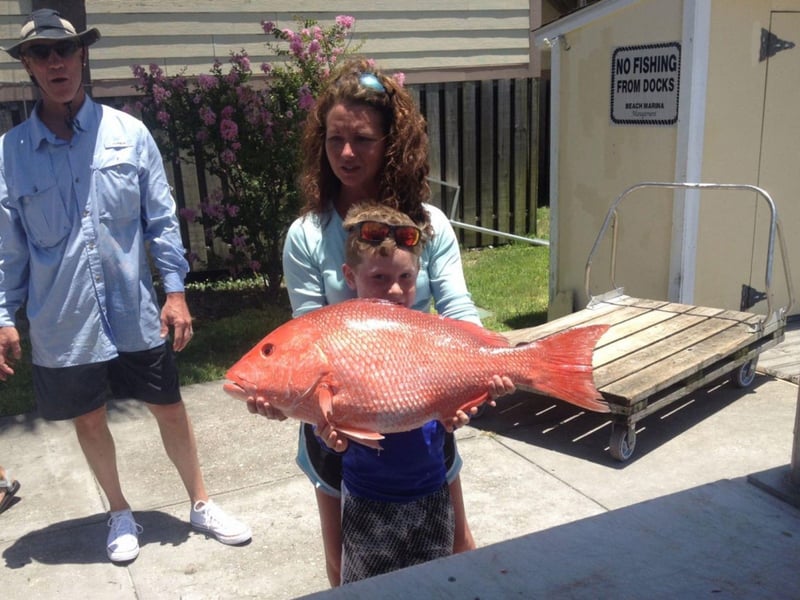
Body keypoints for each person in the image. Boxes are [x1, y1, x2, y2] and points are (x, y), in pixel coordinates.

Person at [248, 57, 513, 586]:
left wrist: (491, 367)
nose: (346, 153)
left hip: (421, 423)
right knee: (344, 571)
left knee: (457, 550)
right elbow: (308, 334)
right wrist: (286, 397)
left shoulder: (429, 225)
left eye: (363, 139)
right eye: (334, 138)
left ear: (392, 142)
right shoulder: (306, 234)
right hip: (336, 432)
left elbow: (457, 308)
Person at [0, 9, 251, 562]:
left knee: (169, 405)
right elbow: (9, 247)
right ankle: (119, 511)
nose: (56, 62)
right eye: (41, 54)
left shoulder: (128, 134)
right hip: (62, 320)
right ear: (29, 67)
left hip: (133, 310)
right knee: (88, 418)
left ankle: (201, 502)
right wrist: (2, 315)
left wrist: (177, 292)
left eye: (64, 51)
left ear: (82, 56)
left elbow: (161, 222)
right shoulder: (9, 155)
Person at [318, 202, 473, 583]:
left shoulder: (434, 336)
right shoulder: (340, 343)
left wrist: (464, 413)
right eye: (378, 277)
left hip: (433, 494)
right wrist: (330, 438)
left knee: (436, 586)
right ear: (349, 277)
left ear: (419, 276)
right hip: (368, 500)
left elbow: (454, 412)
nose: (394, 289)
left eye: (406, 276)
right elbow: (328, 433)